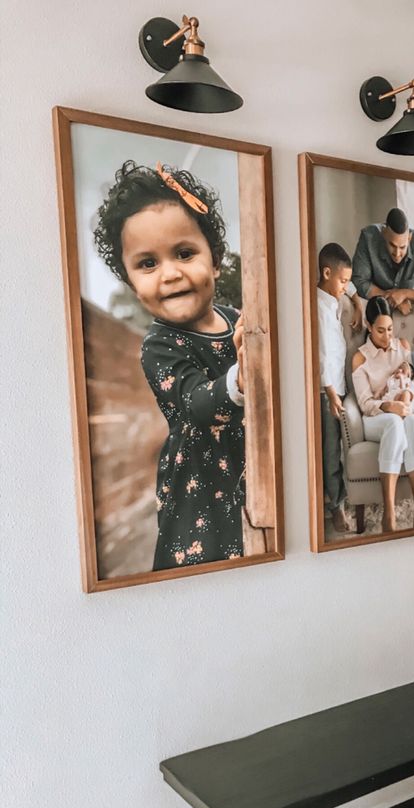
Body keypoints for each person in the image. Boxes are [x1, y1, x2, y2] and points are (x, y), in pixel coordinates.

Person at [93, 159, 247, 570]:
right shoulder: (159, 345)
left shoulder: (239, 320)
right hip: (198, 482)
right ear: (131, 283)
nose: (170, 274)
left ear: (214, 261)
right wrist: (241, 377)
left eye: (183, 253)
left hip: (248, 463)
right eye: (148, 263)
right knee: (202, 570)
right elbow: (196, 403)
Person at [352, 297, 414, 532]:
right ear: (369, 326)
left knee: (413, 423)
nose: (387, 337)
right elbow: (364, 403)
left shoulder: (403, 347)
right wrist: (387, 407)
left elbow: (413, 383)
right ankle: (389, 513)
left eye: (390, 329)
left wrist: (407, 395)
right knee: (395, 423)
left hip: (405, 410)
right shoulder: (360, 358)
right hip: (376, 418)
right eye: (380, 331)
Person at [316, 242, 355, 533]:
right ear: (326, 273)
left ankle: (339, 499)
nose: (345, 286)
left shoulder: (332, 300)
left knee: (337, 448)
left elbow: (346, 285)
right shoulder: (317, 307)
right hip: (326, 391)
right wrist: (330, 394)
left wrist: (357, 299)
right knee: (331, 450)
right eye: (342, 281)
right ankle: (335, 507)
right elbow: (322, 354)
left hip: (338, 387)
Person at [352, 207, 414, 316]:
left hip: (404, 312)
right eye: (392, 245)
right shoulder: (368, 238)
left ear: (409, 239)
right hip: (375, 310)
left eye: (402, 247)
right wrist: (391, 299)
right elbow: (358, 281)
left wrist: (404, 294)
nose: (397, 253)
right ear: (384, 233)